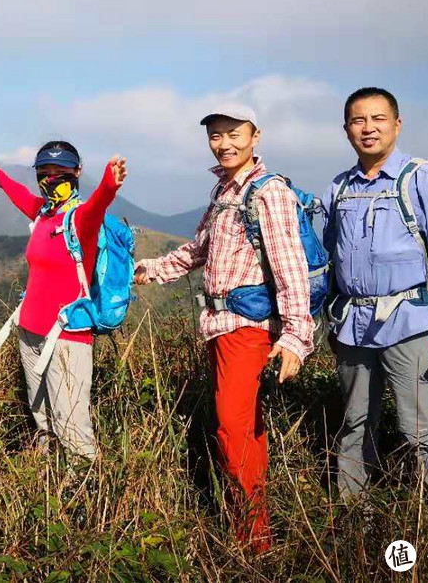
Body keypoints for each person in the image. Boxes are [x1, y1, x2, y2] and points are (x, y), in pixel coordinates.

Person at [133, 103, 313, 551]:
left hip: (247, 328)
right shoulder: (225, 192)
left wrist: (295, 335)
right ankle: (258, 533)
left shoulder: (268, 192)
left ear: (256, 136)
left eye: (235, 133)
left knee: (232, 428)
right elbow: (200, 250)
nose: (225, 142)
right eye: (216, 135)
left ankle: (252, 539)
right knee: (245, 429)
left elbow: (289, 267)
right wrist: (151, 270)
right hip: (219, 326)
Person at [323, 87, 428, 511]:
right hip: (352, 326)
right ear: (346, 129)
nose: (368, 128)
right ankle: (353, 517)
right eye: (358, 121)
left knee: (421, 429)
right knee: (355, 424)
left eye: (378, 119)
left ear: (397, 123)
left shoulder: (425, 179)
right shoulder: (339, 188)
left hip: (409, 322)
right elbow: (329, 259)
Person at [0, 142, 127, 461]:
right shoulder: (42, 214)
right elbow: (20, 196)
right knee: (43, 422)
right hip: (29, 334)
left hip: (67, 338)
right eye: (44, 172)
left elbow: (98, 205)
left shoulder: (81, 220)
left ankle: (87, 500)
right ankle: (47, 490)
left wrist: (109, 183)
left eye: (61, 172)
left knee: (72, 429)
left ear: (77, 172)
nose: (51, 178)